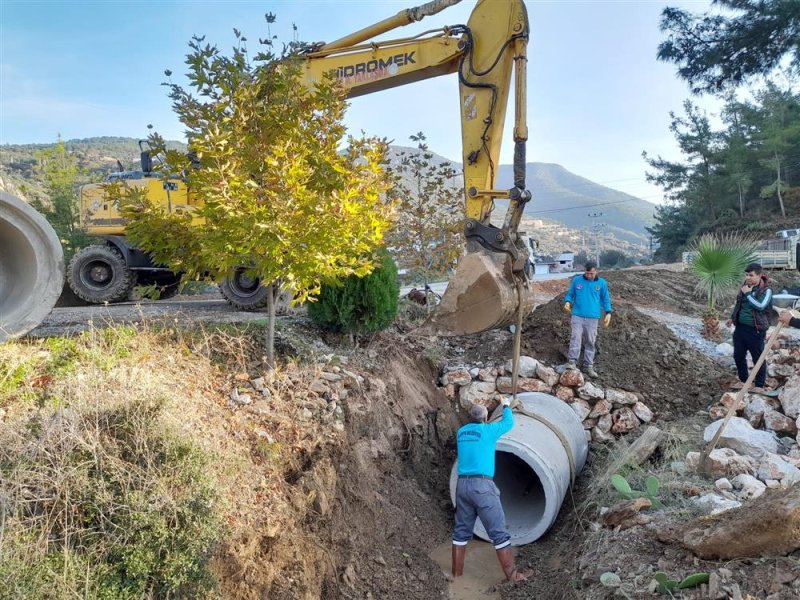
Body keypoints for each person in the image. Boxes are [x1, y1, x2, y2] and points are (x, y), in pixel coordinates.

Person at [451, 399, 532, 583]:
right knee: (498, 532)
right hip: (482, 486)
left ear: (469, 417)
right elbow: (508, 423)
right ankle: (513, 576)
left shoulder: (461, 432)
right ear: (486, 417)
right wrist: (506, 406)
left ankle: (456, 574)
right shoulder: (488, 431)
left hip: (462, 486)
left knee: (461, 531)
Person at [726, 263, 773, 392]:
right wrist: (732, 318)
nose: (748, 277)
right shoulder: (745, 287)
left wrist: (748, 294)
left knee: (757, 357)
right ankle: (744, 381)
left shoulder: (766, 290)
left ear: (759, 275)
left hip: (756, 329)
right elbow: (738, 304)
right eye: (747, 275)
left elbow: (760, 306)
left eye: (751, 275)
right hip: (740, 328)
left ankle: (759, 385)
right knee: (738, 355)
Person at [562, 261, 612, 378]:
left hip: (593, 317)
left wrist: (608, 312)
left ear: (596, 271)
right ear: (585, 271)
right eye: (587, 273)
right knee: (575, 336)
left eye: (592, 273)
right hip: (577, 315)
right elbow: (570, 294)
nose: (589, 276)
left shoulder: (602, 283)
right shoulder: (577, 281)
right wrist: (568, 302)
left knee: (590, 340)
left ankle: (588, 365)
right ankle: (572, 361)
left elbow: (606, 299)